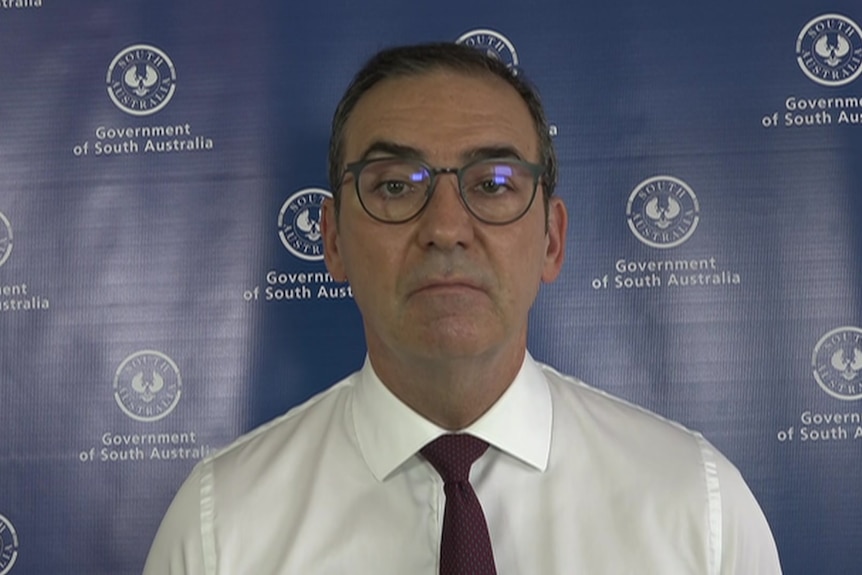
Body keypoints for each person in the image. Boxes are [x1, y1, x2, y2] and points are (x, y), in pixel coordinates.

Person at [143, 42, 783, 574]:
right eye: (395, 185)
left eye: (494, 185)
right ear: (333, 241)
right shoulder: (219, 529)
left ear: (552, 241)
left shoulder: (699, 509)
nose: (446, 228)